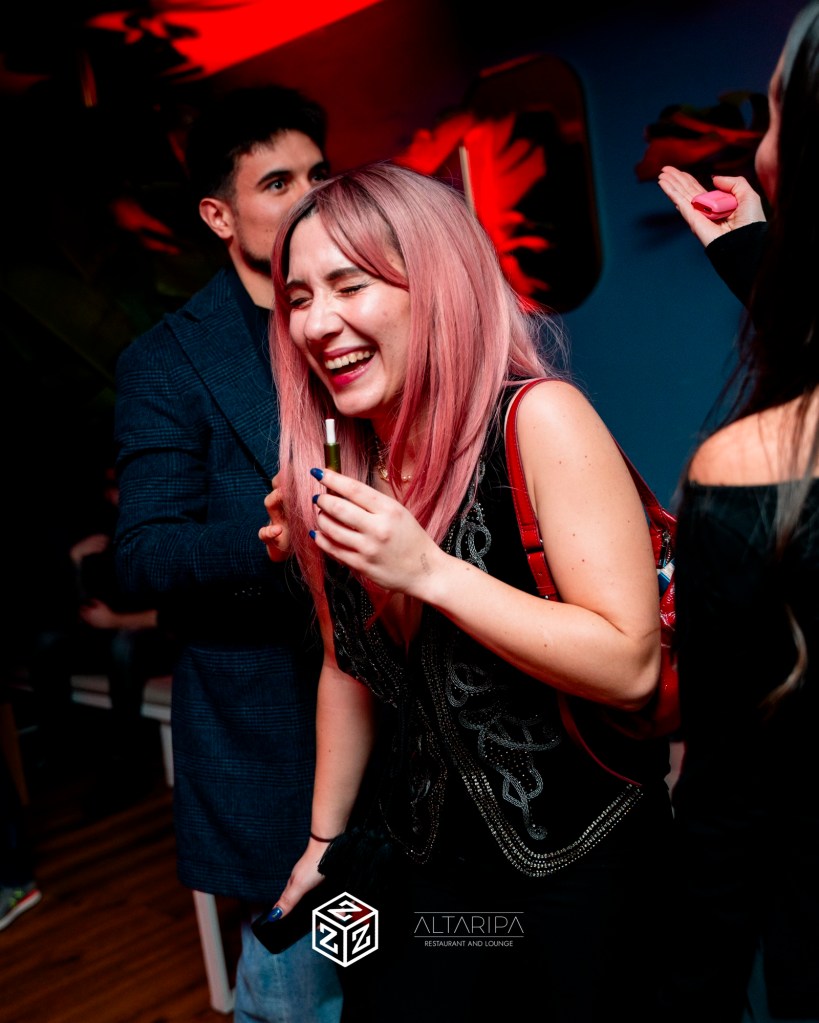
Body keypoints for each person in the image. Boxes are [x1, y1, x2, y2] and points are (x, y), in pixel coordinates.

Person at [259, 162, 674, 1022]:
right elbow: (345, 665)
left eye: (349, 285)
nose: (317, 322)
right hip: (417, 867)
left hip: (579, 864)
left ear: (437, 285)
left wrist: (428, 570)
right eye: (298, 297)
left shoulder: (540, 418)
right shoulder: (341, 462)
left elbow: (629, 663)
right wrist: (321, 841)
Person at [113, 85, 343, 1023]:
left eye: (318, 174)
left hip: (404, 708)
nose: (309, 196)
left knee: (414, 959)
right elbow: (142, 555)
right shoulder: (168, 360)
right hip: (272, 730)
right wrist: (272, 533)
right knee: (307, 975)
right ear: (219, 215)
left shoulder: (360, 308)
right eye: (276, 182)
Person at [656, 5, 819, 1021]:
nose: (757, 151)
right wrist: (758, 256)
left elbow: (727, 809)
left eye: (775, 119)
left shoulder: (753, 475)